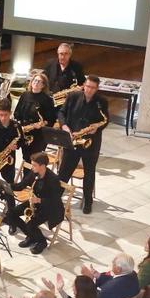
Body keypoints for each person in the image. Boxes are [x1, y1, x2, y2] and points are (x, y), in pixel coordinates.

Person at [58, 76, 109, 213]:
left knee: (89, 172)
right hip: (73, 139)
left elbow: (106, 119)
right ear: (84, 86)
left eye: (93, 88)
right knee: (64, 171)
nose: (89, 90)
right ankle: (56, 197)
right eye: (87, 86)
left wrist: (97, 128)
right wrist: (64, 126)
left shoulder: (102, 101)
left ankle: (88, 201)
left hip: (91, 142)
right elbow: (61, 112)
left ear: (97, 89)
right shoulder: (73, 96)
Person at [9, 151, 64, 254]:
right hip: (35, 203)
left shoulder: (53, 179)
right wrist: (7, 186)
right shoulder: (34, 173)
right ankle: (31, 236)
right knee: (11, 213)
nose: (32, 167)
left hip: (50, 208)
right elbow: (21, 185)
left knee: (30, 223)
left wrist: (39, 200)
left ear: (42, 166)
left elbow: (55, 201)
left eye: (34, 165)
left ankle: (42, 242)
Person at [16, 72, 54, 156]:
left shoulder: (47, 99)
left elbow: (51, 119)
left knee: (35, 158)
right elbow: (17, 112)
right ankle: (26, 169)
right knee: (25, 157)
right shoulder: (25, 95)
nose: (36, 83)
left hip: (38, 135)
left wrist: (42, 124)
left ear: (43, 85)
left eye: (39, 81)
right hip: (24, 131)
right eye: (35, 80)